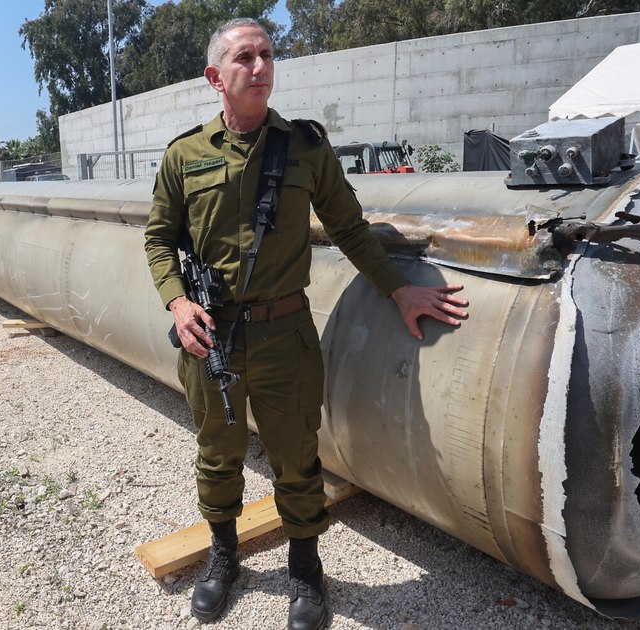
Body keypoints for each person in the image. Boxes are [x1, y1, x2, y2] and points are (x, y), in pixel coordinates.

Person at [143, 18, 469, 630]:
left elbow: (348, 227)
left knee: (296, 458)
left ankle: (305, 569)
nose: (260, 67)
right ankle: (224, 556)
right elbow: (159, 240)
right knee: (217, 454)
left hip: (285, 336)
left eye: (268, 55)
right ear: (215, 76)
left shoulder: (305, 146)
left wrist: (399, 291)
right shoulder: (184, 156)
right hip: (211, 337)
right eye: (245, 57)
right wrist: (178, 304)